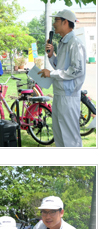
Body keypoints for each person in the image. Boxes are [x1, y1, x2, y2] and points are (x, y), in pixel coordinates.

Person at [38, 9, 87, 147]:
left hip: (69, 97)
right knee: (59, 137)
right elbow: (60, 68)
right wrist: (51, 55)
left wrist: (51, 74)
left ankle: (75, 166)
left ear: (65, 22)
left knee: (70, 139)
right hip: (59, 94)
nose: (54, 24)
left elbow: (76, 70)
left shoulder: (75, 43)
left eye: (56, 21)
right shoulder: (63, 42)